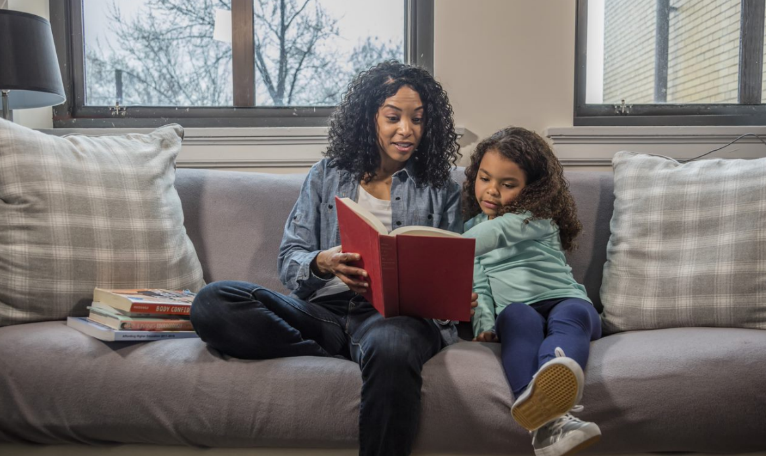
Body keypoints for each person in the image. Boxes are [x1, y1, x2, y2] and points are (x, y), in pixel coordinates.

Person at [189, 61, 474, 456]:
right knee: (213, 302)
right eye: (393, 117)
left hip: (394, 319)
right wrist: (322, 262)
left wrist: (454, 296)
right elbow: (290, 260)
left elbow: (452, 266)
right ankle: (344, 351)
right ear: (369, 116)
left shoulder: (441, 188)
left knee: (390, 346)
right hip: (325, 314)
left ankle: (367, 351)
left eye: (418, 120)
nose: (406, 130)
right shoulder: (326, 175)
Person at [461, 127, 602, 456]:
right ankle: (545, 421)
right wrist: (483, 324)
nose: (492, 191)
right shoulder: (471, 229)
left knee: (571, 315)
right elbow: (477, 280)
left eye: (508, 184)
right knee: (515, 318)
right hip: (518, 308)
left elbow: (497, 232)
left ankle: (556, 374)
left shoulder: (536, 217)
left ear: (532, 190)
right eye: (484, 178)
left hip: (565, 300)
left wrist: (447, 248)